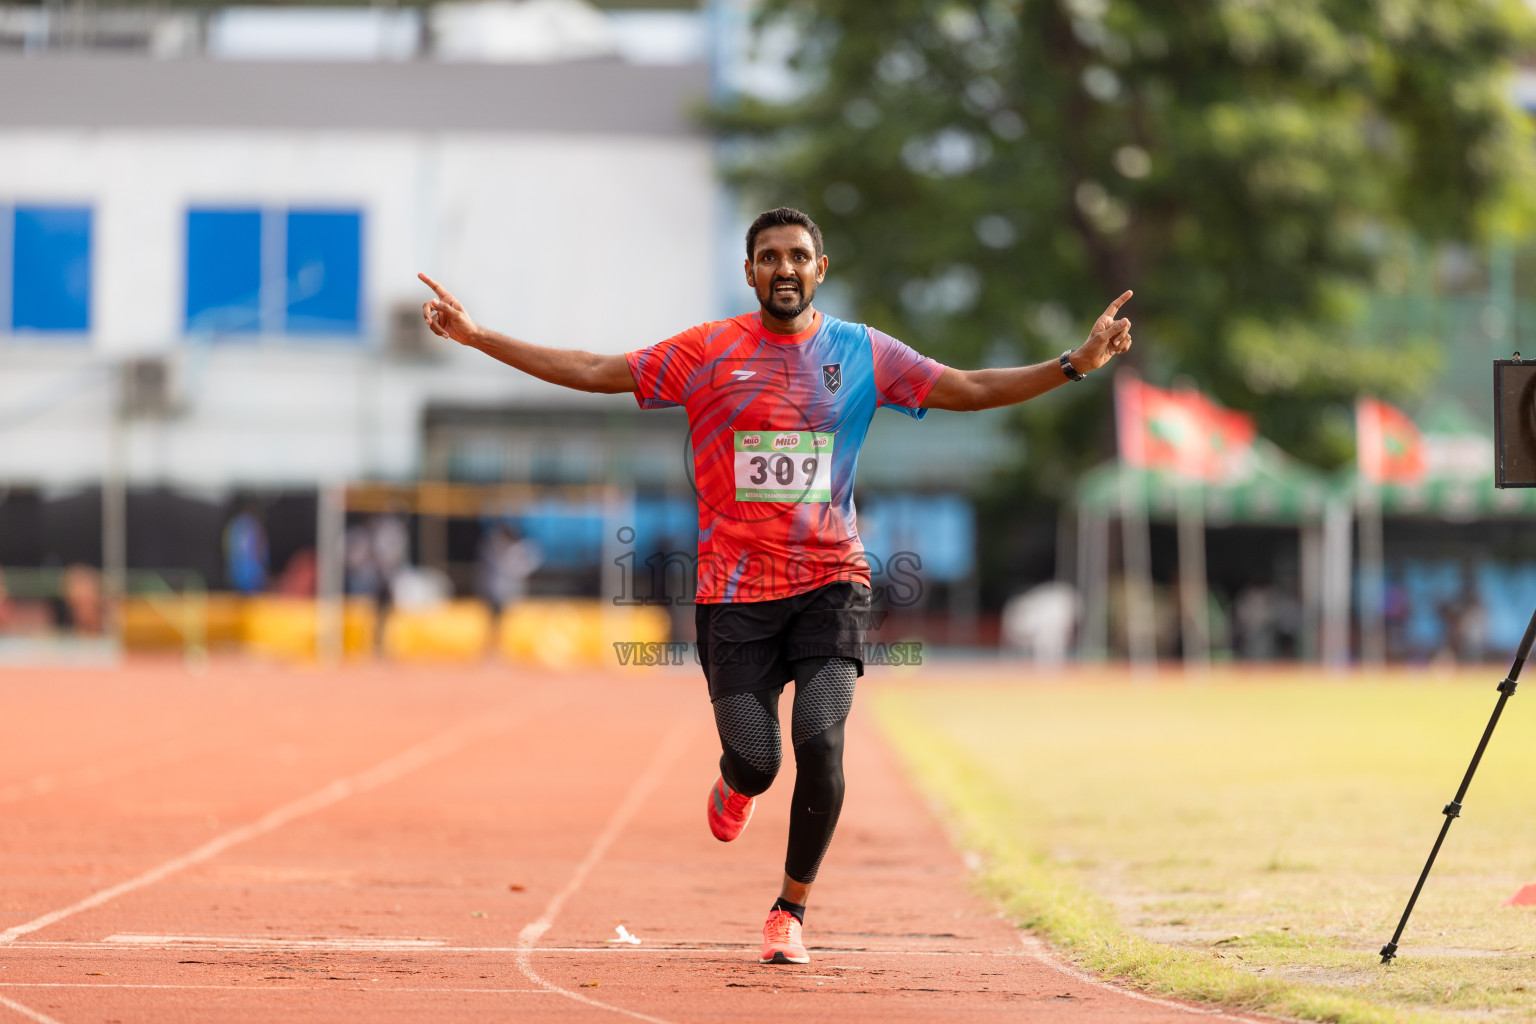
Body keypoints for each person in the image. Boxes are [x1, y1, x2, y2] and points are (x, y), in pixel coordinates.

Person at [419, 207, 1133, 965]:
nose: (784, 268)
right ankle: (736, 785)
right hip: (732, 593)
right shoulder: (706, 350)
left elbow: (967, 385)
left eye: (798, 255)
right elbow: (596, 370)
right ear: (751, 270)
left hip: (832, 582)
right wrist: (477, 337)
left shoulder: (862, 352)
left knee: (821, 743)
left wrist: (1075, 364)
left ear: (819, 268)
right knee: (758, 760)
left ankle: (788, 910)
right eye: (769, 256)